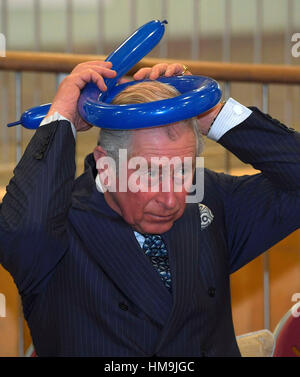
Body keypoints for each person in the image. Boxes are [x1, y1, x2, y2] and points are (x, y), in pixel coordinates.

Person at [0, 60, 299, 357]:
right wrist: (61, 119)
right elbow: (19, 233)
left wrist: (212, 115)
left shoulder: (211, 199)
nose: (171, 200)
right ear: (106, 166)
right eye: (150, 174)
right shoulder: (60, 225)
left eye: (183, 171)